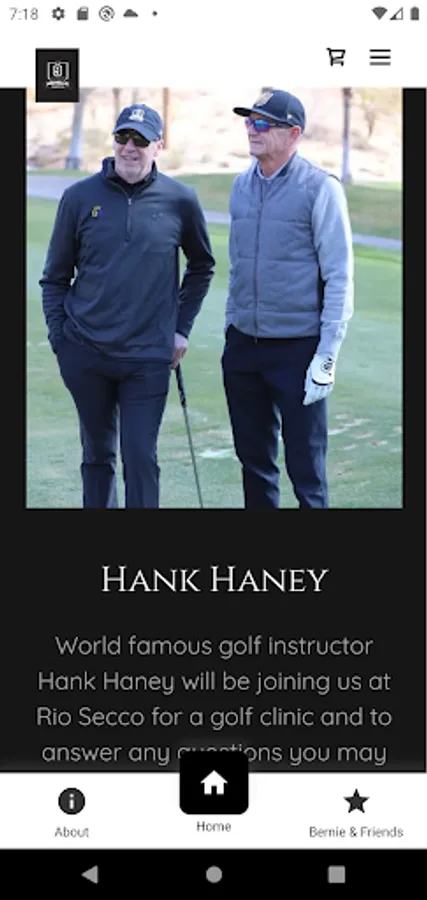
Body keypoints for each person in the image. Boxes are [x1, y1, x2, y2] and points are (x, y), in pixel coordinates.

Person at [40, 103, 215, 508]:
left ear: (158, 146)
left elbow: (202, 265)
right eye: (123, 137)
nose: (129, 147)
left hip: (147, 356)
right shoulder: (79, 197)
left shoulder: (180, 200)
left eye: (140, 140)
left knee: (140, 457)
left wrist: (181, 328)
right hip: (86, 351)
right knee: (97, 455)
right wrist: (60, 339)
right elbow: (55, 276)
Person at [222, 89, 354, 508]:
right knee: (254, 464)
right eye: (249, 121)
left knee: (306, 470)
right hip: (244, 347)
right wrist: (231, 326)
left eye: (263, 123)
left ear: (293, 133)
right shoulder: (241, 186)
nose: (252, 129)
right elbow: (237, 265)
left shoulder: (320, 188)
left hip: (298, 349)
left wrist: (327, 356)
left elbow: (339, 275)